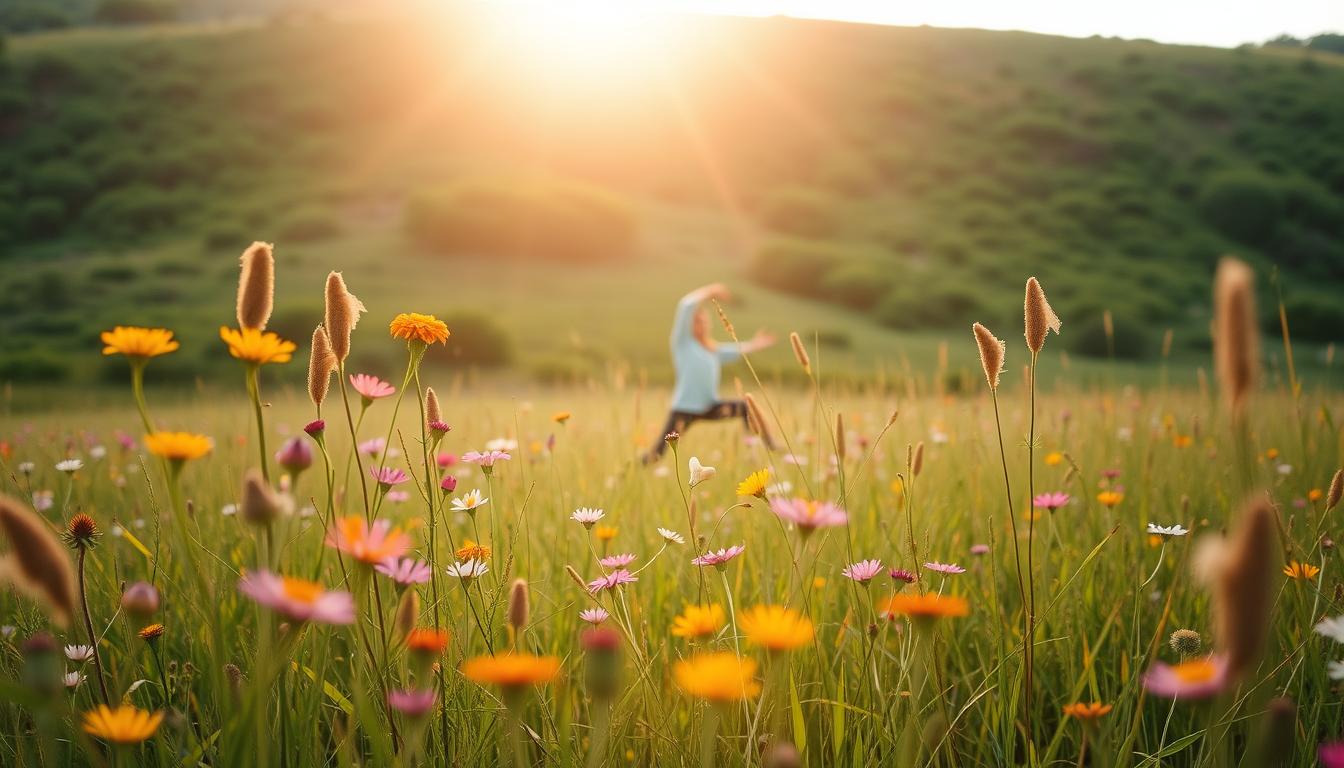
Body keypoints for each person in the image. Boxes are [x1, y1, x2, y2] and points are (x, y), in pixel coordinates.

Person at [643, 283, 777, 462]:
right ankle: (630, 471)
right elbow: (686, 305)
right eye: (698, 322)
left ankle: (763, 446)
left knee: (746, 407)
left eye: (705, 321)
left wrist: (755, 344)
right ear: (689, 325)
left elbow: (735, 350)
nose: (702, 325)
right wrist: (711, 291)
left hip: (709, 406)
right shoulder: (683, 343)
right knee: (657, 454)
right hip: (683, 410)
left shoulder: (712, 350)